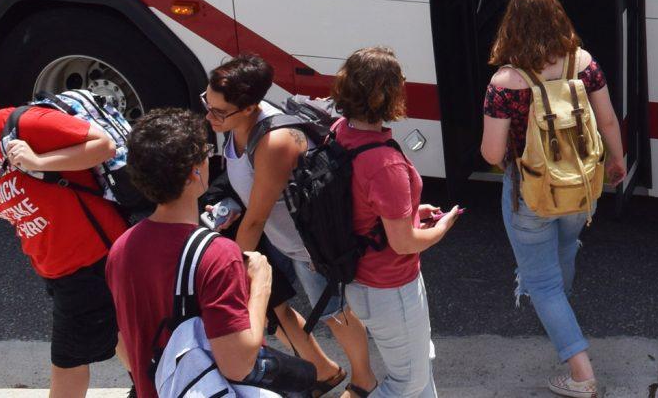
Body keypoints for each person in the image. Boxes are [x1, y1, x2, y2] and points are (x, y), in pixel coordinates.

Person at [0, 66, 127, 398]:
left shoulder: (27, 124)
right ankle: (155, 388)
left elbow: (102, 145)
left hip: (89, 263)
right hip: (57, 268)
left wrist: (39, 161)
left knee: (67, 363)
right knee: (121, 334)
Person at [479, 0, 629, 398]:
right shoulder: (583, 64)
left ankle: (582, 375)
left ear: (512, 27)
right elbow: (609, 121)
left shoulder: (505, 82)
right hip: (581, 185)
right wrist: (617, 162)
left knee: (541, 284)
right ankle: (557, 308)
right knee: (564, 251)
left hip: (530, 194)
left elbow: (492, 152)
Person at [107, 108, 314, 398]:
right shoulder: (218, 255)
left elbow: (124, 344)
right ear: (195, 170)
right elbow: (239, 364)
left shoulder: (121, 247)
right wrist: (261, 286)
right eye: (205, 151)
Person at [206, 55, 367, 397]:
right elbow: (244, 187)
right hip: (278, 239)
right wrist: (229, 204)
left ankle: (364, 380)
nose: (210, 116)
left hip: (308, 244)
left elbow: (257, 216)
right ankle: (325, 372)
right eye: (208, 103)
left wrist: (230, 271)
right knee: (275, 304)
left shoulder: (273, 141)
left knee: (334, 312)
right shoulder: (234, 124)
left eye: (219, 111)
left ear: (250, 107)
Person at [332, 47, 458, 398]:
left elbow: (362, 207)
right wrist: (441, 227)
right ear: (387, 93)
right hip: (391, 288)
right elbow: (403, 243)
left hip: (362, 279)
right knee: (409, 383)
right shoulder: (384, 163)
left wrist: (408, 214)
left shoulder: (341, 132)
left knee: (419, 370)